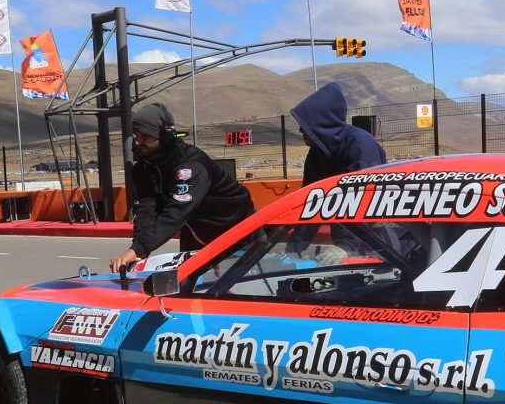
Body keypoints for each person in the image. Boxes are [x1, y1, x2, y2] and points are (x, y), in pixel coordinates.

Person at [110, 103, 255, 272]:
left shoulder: (190, 166)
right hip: (196, 230)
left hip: (237, 230)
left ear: (164, 136)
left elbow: (176, 213)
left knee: (235, 287)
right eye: (136, 135)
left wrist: (137, 249)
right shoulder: (143, 168)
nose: (138, 141)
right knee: (189, 285)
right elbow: (146, 210)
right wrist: (138, 250)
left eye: (145, 136)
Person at [286, 82, 387, 259]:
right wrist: (294, 250)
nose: (301, 130)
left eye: (307, 125)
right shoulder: (317, 154)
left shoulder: (360, 145)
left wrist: (346, 248)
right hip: (349, 241)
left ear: (323, 123)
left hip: (380, 245)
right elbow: (310, 204)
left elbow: (364, 201)